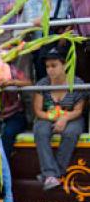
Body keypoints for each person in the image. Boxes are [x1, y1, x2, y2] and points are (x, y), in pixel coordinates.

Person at [33, 47, 86, 190]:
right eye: (47, 66)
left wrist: (64, 118)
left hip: (72, 116)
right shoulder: (43, 84)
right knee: (40, 130)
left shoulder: (77, 83)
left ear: (65, 65)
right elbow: (38, 111)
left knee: (71, 132)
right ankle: (52, 174)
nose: (50, 70)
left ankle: (52, 175)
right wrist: (54, 117)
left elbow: (78, 110)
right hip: (47, 116)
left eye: (54, 65)